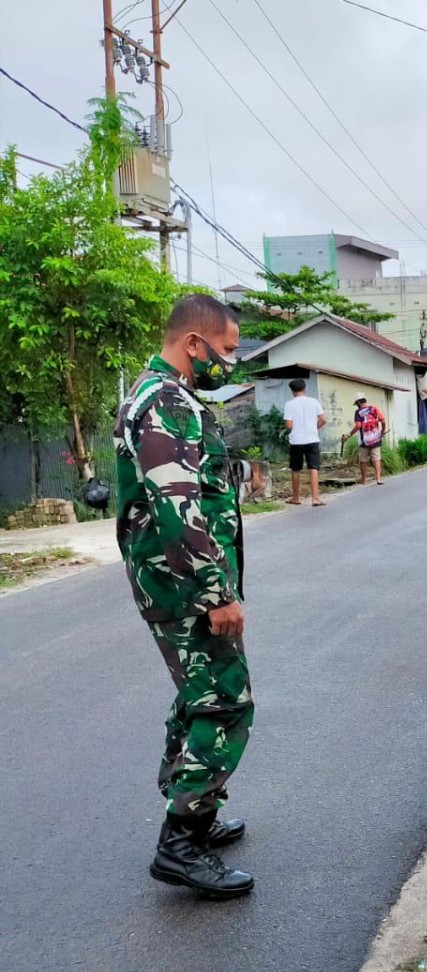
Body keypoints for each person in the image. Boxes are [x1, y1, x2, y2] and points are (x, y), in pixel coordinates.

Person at [113, 293, 255, 898]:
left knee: (196, 692)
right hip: (186, 585)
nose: (231, 362)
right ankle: (181, 839)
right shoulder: (164, 403)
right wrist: (217, 591)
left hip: (176, 580)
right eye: (226, 350)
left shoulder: (167, 396)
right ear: (193, 344)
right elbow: (178, 505)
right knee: (225, 703)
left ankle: (197, 806)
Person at [283, 378, 327, 506]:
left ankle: (296, 497)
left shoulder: (289, 404)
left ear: (292, 391)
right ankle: (315, 498)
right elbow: (323, 419)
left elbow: (289, 425)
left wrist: (291, 428)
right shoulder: (314, 402)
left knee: (296, 468)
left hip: (296, 440)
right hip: (312, 439)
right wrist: (315, 427)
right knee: (313, 468)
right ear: (304, 389)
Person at [342, 393, 386, 486]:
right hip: (375, 439)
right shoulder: (374, 409)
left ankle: (363, 480)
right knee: (376, 459)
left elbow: (358, 425)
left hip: (364, 441)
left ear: (358, 402)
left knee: (363, 460)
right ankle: (378, 479)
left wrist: (349, 435)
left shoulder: (358, 412)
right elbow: (383, 421)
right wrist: (383, 431)